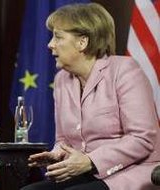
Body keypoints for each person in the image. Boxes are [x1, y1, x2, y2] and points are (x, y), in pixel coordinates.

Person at [22, 3, 160, 190]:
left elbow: (142, 138)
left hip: (130, 172)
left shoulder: (124, 71)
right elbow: (63, 139)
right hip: (87, 173)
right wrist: (57, 154)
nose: (50, 44)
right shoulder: (62, 79)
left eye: (58, 37)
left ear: (82, 42)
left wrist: (90, 160)